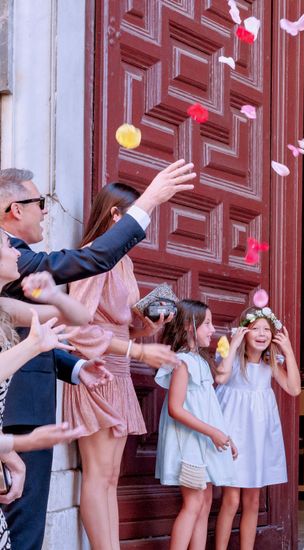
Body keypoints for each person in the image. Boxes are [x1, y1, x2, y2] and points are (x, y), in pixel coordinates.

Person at [0, 160, 195, 549]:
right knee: (35, 515)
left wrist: (142, 327)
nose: (46, 211)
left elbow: (51, 323)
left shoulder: (25, 270)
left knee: (95, 485)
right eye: (42, 202)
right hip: (25, 403)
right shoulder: (22, 260)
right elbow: (78, 317)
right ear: (15, 209)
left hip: (68, 383)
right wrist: (152, 198)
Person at [63, 182, 182, 550]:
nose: (143, 229)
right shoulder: (94, 257)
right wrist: (138, 350)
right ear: (116, 215)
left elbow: (127, 322)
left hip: (120, 369)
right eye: (138, 217)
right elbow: (76, 328)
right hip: (95, 370)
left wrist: (151, 322)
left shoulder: (124, 261)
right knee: (98, 475)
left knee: (111, 475)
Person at [0, 232, 99, 548]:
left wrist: (54, 295)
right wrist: (22, 442)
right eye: (6, 246)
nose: (17, 254)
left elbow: (79, 318)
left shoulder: (5, 307)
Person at [214, 305, 300, 550]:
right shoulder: (229, 356)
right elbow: (220, 376)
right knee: (230, 500)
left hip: (258, 435)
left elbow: (294, 389)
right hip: (233, 432)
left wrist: (288, 350)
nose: (262, 334)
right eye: (255, 329)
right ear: (244, 331)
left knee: (252, 501)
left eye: (267, 329)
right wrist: (234, 343)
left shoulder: (270, 363)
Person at [155, 300, 237, 550]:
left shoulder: (200, 360)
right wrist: (212, 432)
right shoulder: (182, 362)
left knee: (205, 503)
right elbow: (175, 408)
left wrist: (224, 435)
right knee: (192, 505)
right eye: (208, 324)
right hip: (189, 443)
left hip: (204, 441)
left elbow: (208, 407)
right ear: (190, 326)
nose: (213, 330)